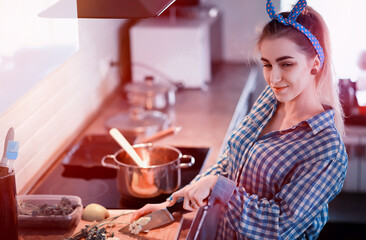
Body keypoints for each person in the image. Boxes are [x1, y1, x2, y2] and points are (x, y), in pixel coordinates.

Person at [131, 0, 348, 239]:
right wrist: (171, 205)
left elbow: (278, 227)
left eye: (286, 64)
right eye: (267, 64)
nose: (274, 78)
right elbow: (230, 164)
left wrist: (219, 187)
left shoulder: (326, 150)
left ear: (315, 63)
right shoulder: (271, 99)